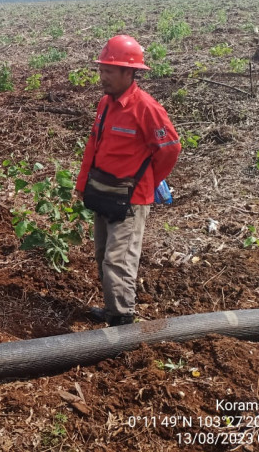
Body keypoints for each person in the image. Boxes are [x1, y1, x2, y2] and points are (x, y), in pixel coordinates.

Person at [74, 35, 181, 327]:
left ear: (128, 72)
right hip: (103, 191)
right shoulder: (105, 104)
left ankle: (122, 321)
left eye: (108, 71)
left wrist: (146, 182)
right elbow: (93, 146)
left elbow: (170, 149)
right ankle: (112, 309)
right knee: (102, 255)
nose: (102, 76)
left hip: (130, 198)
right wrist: (82, 184)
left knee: (118, 261)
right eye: (101, 70)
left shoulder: (146, 108)